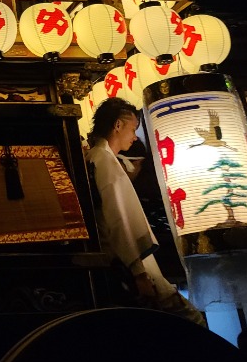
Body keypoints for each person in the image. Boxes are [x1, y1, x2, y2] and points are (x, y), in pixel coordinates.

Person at [86, 97, 205, 324]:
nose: (134, 137)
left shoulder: (97, 157)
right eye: (133, 129)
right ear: (118, 125)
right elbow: (118, 217)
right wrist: (138, 271)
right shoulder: (103, 158)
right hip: (127, 259)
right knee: (190, 318)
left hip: (121, 257)